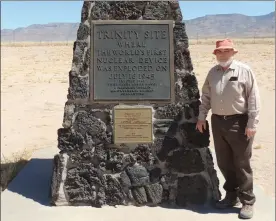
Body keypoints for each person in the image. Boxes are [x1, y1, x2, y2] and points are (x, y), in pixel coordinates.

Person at [196, 39, 261, 219]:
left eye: (226, 51)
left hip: (239, 122)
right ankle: (231, 196)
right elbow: (206, 97)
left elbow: (253, 98)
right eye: (219, 51)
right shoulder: (213, 72)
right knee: (224, 162)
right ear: (215, 54)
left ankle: (247, 201)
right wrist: (202, 117)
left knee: (242, 163)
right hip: (218, 122)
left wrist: (251, 124)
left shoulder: (244, 71)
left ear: (233, 52)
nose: (223, 54)